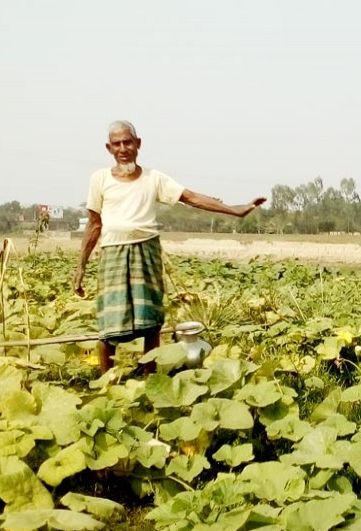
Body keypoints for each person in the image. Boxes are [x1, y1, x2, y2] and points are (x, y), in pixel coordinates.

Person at [73, 120, 265, 373]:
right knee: (110, 323)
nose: (123, 148)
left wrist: (234, 210)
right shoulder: (99, 179)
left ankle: (150, 378)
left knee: (150, 321)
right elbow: (94, 224)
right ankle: (106, 384)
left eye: (128, 142)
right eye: (117, 144)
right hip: (113, 253)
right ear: (109, 148)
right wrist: (80, 267)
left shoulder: (154, 178)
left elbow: (190, 197)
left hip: (146, 251)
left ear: (138, 144)